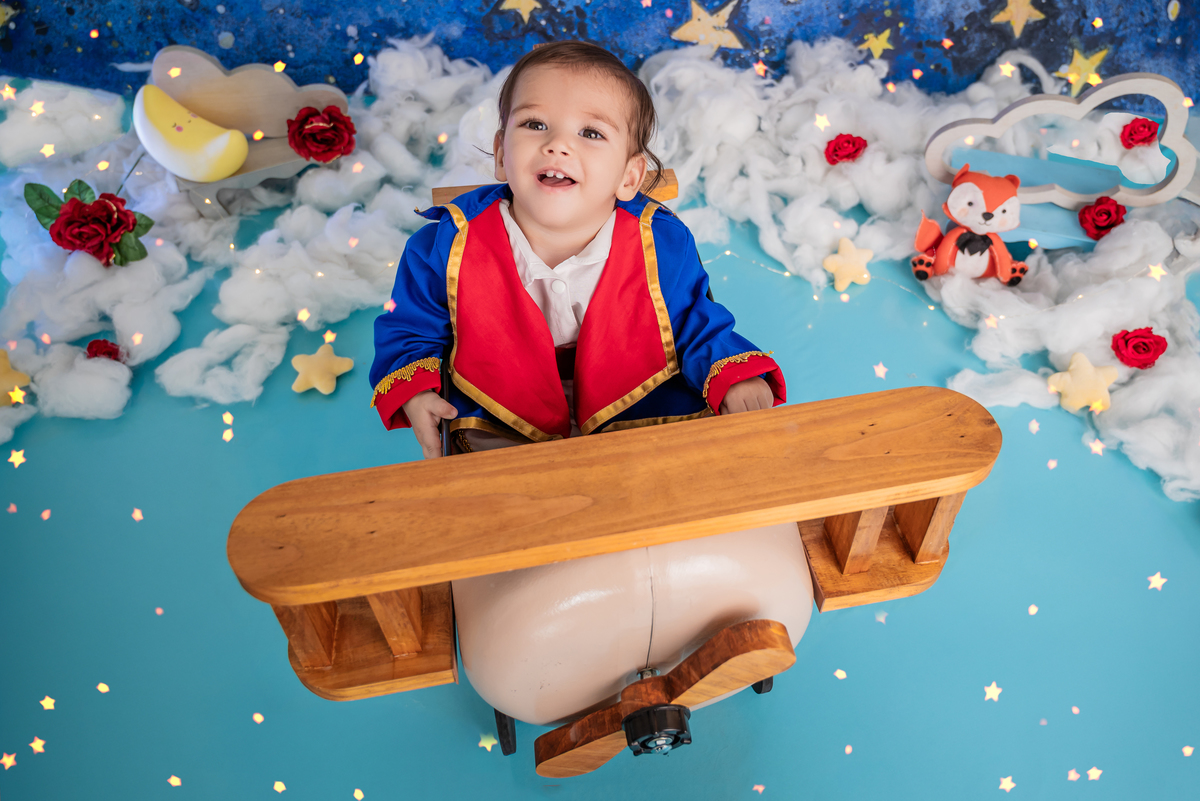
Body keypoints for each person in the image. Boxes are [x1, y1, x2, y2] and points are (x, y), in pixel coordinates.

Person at [369, 40, 786, 456]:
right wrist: (415, 393)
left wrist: (735, 375)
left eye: (590, 133)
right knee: (489, 482)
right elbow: (412, 328)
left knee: (684, 465)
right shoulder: (446, 246)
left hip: (635, 397)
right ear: (500, 155)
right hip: (500, 403)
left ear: (628, 177)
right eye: (535, 124)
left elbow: (693, 321)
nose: (557, 144)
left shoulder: (660, 242)